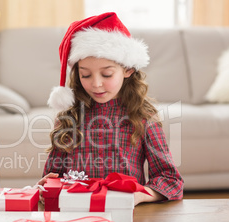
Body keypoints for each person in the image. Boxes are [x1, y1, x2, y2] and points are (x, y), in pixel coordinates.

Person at [39, 12, 183, 205]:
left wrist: (139, 196)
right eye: (86, 75)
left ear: (128, 70)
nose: (96, 84)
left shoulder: (143, 116)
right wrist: (46, 187)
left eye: (106, 74)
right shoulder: (69, 116)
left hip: (124, 214)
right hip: (75, 213)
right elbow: (53, 177)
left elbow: (170, 180)